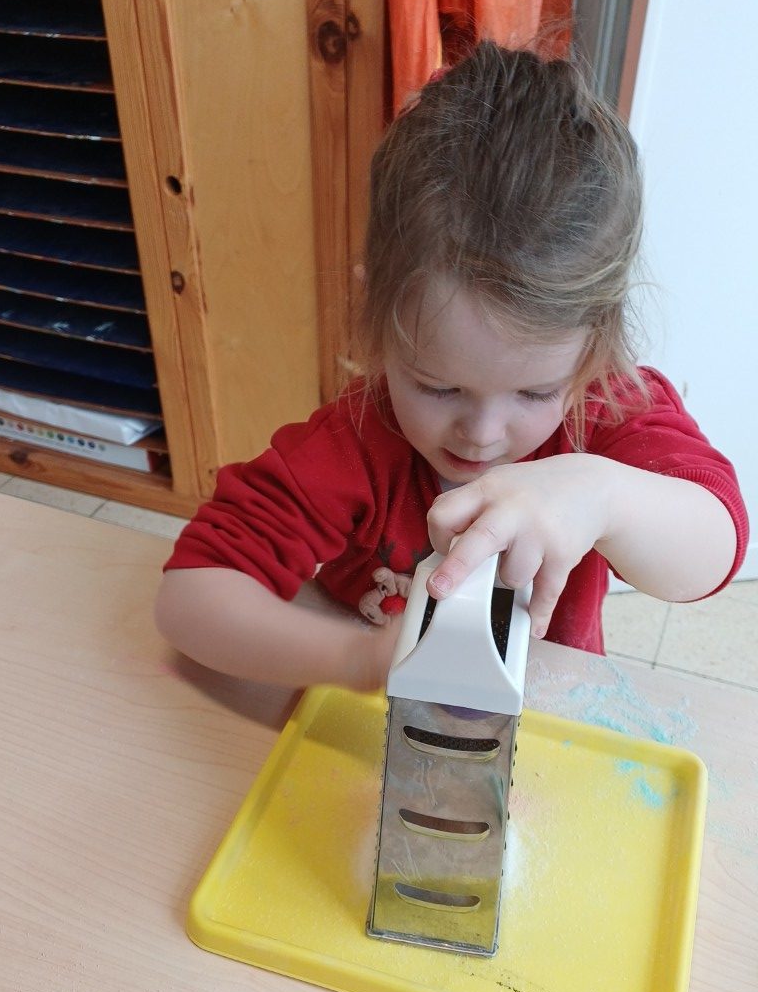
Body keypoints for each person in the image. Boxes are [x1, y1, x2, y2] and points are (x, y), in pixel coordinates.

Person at [156, 42, 748, 692]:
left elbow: (715, 549)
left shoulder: (604, 410)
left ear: (595, 347)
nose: (482, 434)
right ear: (379, 317)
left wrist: (601, 494)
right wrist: (356, 660)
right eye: (438, 386)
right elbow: (190, 596)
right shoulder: (356, 442)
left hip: (547, 714)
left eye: (535, 392)